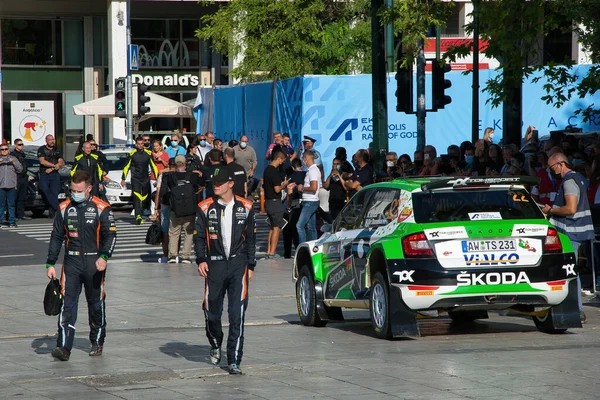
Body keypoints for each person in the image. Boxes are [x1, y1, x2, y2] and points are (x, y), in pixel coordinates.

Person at [45, 170, 117, 361]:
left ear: (89, 188)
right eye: (72, 190)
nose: (75, 193)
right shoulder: (63, 208)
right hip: (71, 263)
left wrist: (104, 256)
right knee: (67, 305)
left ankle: (97, 342)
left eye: (79, 190)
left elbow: (111, 235)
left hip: (94, 264)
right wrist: (50, 262)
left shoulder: (102, 208)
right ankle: (64, 347)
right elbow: (56, 237)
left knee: (95, 304)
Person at [195, 167, 255, 375]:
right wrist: (201, 259)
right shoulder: (204, 207)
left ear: (231, 183)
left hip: (239, 265)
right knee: (212, 312)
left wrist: (252, 265)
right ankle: (215, 341)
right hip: (215, 265)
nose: (216, 185)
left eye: (220, 182)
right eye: (214, 182)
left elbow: (252, 239)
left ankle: (234, 360)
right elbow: (199, 238)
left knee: (236, 313)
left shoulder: (246, 206)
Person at [542, 152, 594, 323]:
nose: (552, 172)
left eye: (552, 168)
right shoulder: (577, 179)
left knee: (570, 271)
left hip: (570, 233)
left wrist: (550, 210)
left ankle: (576, 309)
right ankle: (575, 308)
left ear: (561, 164)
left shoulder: (570, 181)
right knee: (570, 270)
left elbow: (570, 209)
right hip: (573, 232)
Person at [161, 155, 201, 263]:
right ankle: (186, 256)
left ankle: (173, 255)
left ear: (175, 164)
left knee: (174, 232)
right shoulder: (192, 176)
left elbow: (166, 190)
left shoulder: (170, 176)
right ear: (185, 164)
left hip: (175, 209)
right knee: (189, 232)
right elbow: (198, 188)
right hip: (190, 208)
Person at [121, 136, 159, 224]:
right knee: (137, 197)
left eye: (142, 144)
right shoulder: (132, 154)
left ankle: (141, 213)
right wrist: (123, 178)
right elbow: (126, 167)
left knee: (144, 198)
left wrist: (157, 179)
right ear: (136, 144)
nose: (140, 146)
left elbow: (154, 167)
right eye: (139, 144)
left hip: (145, 179)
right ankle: (138, 215)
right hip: (135, 178)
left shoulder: (148, 153)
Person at [263, 150, 288, 259]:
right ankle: (272, 253)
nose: (282, 163)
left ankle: (269, 251)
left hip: (268, 201)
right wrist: (284, 185)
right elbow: (277, 189)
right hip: (275, 202)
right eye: (282, 161)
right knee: (277, 227)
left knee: (272, 227)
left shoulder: (267, 170)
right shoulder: (274, 171)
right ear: (279, 159)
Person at [295, 151, 322, 244]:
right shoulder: (312, 170)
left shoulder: (313, 171)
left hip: (310, 201)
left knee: (299, 226)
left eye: (303, 159)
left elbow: (314, 187)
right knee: (311, 227)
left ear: (306, 160)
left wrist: (302, 188)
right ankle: (313, 248)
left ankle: (302, 246)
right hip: (310, 201)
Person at [154, 159, 177, 263]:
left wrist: (156, 208)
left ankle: (165, 255)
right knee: (176, 230)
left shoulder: (163, 175)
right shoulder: (179, 175)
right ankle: (175, 254)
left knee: (165, 230)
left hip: (165, 203)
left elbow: (158, 192)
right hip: (177, 204)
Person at [283, 158, 306, 258]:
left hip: (295, 203)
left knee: (292, 228)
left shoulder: (290, 178)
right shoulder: (307, 174)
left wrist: (288, 207)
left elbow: (289, 194)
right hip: (307, 202)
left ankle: (289, 252)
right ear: (301, 165)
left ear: (293, 167)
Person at [38, 135, 64, 218]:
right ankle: (58, 208)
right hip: (44, 173)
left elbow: (60, 162)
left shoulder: (57, 149)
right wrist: (53, 165)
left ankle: (53, 214)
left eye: (53, 139)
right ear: (46, 141)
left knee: (54, 193)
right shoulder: (42, 149)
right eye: (50, 140)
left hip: (54, 174)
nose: (52, 141)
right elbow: (42, 161)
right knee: (44, 189)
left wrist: (52, 168)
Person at [0, 143, 23, 227]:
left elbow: (20, 169)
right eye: (2, 149)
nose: (4, 151)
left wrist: (13, 162)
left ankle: (12, 221)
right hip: (1, 185)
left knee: (11, 204)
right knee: (1, 204)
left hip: (11, 185)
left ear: (8, 150)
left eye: (6, 149)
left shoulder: (13, 158)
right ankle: (0, 220)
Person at [10, 138, 30, 221]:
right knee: (14, 197)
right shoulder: (13, 154)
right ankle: (12, 215)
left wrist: (27, 175)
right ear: (15, 145)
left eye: (22, 144)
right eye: (19, 144)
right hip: (16, 177)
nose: (21, 146)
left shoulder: (22, 154)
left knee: (22, 197)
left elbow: (24, 165)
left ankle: (21, 214)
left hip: (24, 177)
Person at [150, 140, 170, 215]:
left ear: (160, 146)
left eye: (157, 146)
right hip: (153, 177)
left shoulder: (165, 154)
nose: (155, 148)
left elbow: (167, 165)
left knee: (160, 193)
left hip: (162, 176)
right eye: (154, 146)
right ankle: (153, 211)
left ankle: (160, 210)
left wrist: (161, 160)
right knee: (154, 194)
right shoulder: (151, 154)